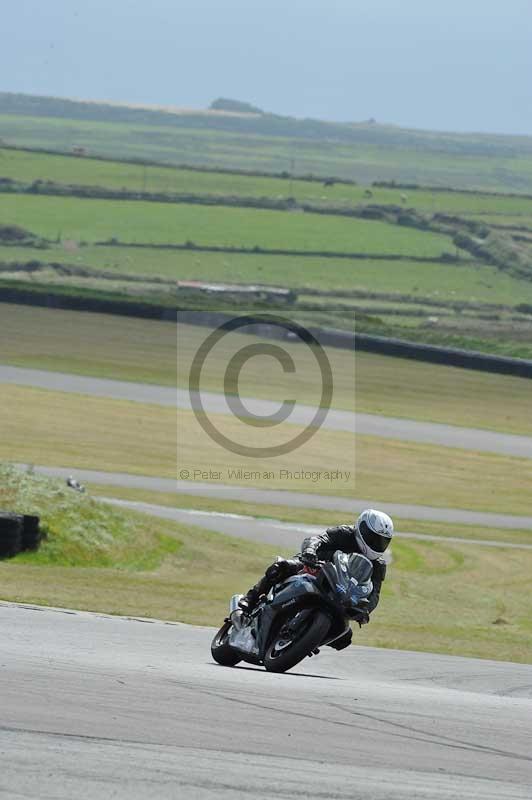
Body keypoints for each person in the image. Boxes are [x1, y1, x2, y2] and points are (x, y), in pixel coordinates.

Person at [239, 508, 393, 649]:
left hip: (341, 592)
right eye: (373, 538)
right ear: (361, 528)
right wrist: (310, 552)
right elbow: (318, 539)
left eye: (382, 541)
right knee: (280, 567)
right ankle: (250, 598)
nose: (376, 544)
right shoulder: (345, 533)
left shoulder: (378, 565)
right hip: (314, 567)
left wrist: (365, 610)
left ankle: (304, 641)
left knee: (344, 638)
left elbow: (375, 594)